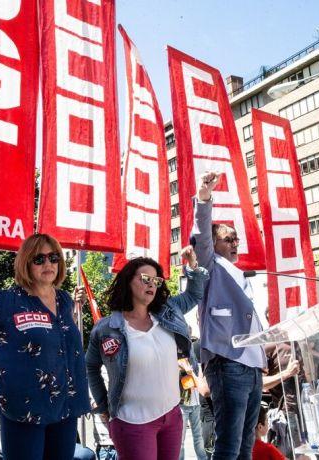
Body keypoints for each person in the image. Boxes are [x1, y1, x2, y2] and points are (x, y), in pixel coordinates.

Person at [86, 247, 208, 460]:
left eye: (156, 280)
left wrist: (193, 266)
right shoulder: (107, 328)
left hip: (171, 417)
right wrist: (104, 406)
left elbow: (195, 294)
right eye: (145, 278)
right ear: (128, 281)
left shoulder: (168, 311)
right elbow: (91, 366)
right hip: (132, 424)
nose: (152, 284)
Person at [0, 233, 90, 459]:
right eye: (39, 259)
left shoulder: (65, 300)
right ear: (26, 262)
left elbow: (62, 343)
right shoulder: (5, 302)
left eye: (54, 257)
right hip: (24, 408)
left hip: (65, 406)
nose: (48, 263)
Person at [191, 171, 266, 460]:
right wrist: (205, 196)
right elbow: (201, 233)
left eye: (236, 239)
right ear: (213, 244)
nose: (235, 243)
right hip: (228, 362)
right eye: (228, 239)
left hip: (252, 366)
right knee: (229, 447)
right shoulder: (211, 265)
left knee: (247, 447)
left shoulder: (242, 273)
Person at [179, 336, 208, 460]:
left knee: (198, 437)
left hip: (195, 402)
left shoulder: (195, 359)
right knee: (180, 439)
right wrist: (184, 369)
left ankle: (203, 458)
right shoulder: (179, 360)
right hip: (183, 404)